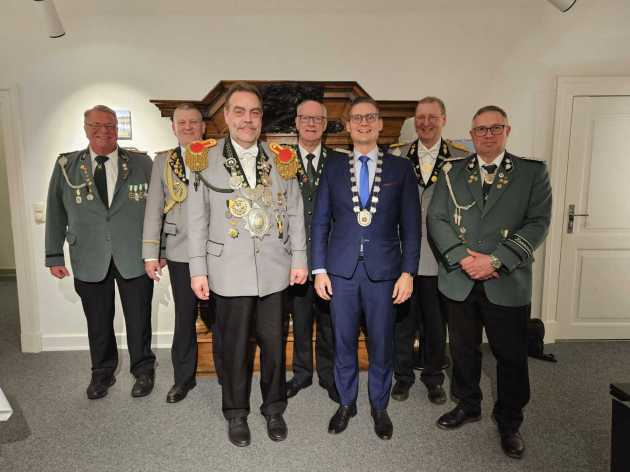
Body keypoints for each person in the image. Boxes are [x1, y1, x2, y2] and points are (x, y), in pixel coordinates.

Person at [187, 82, 308, 447]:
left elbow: (295, 212)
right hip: (228, 270)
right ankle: (236, 413)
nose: (247, 119)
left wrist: (299, 258)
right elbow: (197, 220)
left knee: (274, 344)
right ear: (226, 116)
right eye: (239, 111)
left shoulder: (282, 158)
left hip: (274, 269)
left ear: (262, 118)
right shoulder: (204, 158)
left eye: (254, 112)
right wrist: (197, 269)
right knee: (234, 347)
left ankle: (274, 408)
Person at [427, 105, 552, 459]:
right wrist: (463, 258)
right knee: (462, 349)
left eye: (495, 128)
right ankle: (468, 404)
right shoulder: (451, 172)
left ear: (507, 131)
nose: (487, 135)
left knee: (510, 354)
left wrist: (496, 260)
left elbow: (538, 222)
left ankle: (510, 421)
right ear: (472, 134)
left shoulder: (531, 172)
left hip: (505, 277)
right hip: (460, 276)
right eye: (480, 129)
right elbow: (437, 218)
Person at [311, 96, 420, 440]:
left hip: (385, 273)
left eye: (370, 117)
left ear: (380, 124)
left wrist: (408, 273)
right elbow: (320, 222)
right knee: (343, 342)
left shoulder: (401, 169)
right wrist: (318, 269)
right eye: (357, 118)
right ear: (347, 126)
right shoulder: (332, 168)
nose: (363, 123)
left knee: (382, 343)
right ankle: (346, 403)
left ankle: (379, 405)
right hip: (340, 272)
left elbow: (412, 226)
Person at [45, 105, 156, 400]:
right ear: (85, 128)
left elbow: (157, 210)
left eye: (109, 125)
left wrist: (158, 251)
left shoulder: (141, 163)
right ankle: (102, 372)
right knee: (97, 320)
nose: (103, 131)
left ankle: (143, 369)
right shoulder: (66, 165)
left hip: (133, 254)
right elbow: (55, 211)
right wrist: (53, 255)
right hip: (89, 255)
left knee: (139, 318)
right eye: (96, 125)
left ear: (117, 129)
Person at [389, 97, 469, 404]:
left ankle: (434, 378)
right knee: (403, 323)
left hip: (440, 257)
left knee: (436, 324)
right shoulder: (396, 155)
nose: (425, 123)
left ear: (443, 119)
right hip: (403, 256)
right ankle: (403, 377)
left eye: (432, 117)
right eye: (420, 117)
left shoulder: (461, 158)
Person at [142, 103, 222, 403]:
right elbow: (153, 209)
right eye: (182, 123)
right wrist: (151, 253)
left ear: (203, 126)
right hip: (180, 251)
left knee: (221, 317)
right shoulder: (163, 161)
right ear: (173, 127)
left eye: (194, 122)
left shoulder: (218, 156)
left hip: (216, 251)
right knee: (184, 317)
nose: (188, 127)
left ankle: (227, 373)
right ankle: (183, 379)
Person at [285, 99, 341, 403]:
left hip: (330, 259)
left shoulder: (339, 161)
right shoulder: (280, 159)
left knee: (329, 321)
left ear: (325, 124)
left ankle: (329, 374)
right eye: (305, 118)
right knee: (301, 319)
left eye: (317, 119)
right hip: (292, 258)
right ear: (296, 122)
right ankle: (302, 373)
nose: (310, 123)